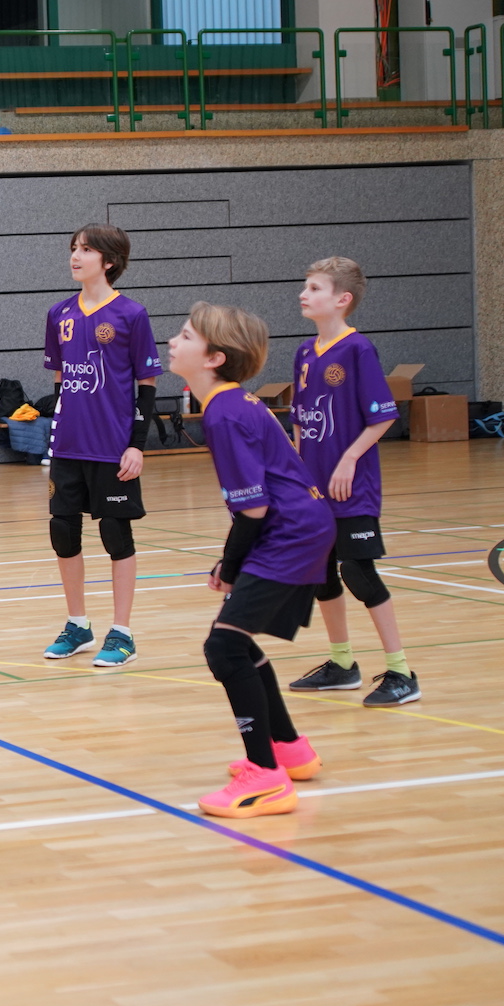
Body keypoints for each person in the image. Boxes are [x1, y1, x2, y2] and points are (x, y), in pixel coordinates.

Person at [166, 302, 333, 820]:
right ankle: (288, 749)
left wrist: (232, 566)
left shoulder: (223, 412)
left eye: (186, 336)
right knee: (236, 640)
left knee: (224, 648)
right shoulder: (233, 404)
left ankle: (266, 778)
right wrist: (232, 563)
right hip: (297, 528)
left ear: (214, 357)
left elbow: (255, 507)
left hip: (291, 533)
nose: (173, 340)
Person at [286, 257, 417, 706]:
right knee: (321, 574)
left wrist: (348, 460)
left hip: (351, 485)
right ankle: (342, 665)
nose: (304, 294)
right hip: (316, 487)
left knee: (358, 571)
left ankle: (402, 672)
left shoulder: (358, 349)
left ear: (342, 299)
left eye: (315, 288)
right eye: (305, 287)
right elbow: (302, 421)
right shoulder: (305, 352)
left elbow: (382, 417)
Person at [40, 224, 163, 669]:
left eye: (86, 249)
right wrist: (54, 436)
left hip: (112, 448)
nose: (75, 255)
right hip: (69, 448)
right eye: (73, 248)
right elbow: (59, 382)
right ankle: (78, 625)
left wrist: (137, 445)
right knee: (63, 532)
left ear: (108, 261)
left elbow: (146, 386)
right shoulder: (59, 314)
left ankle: (123, 632)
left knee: (115, 534)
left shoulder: (131, 314)